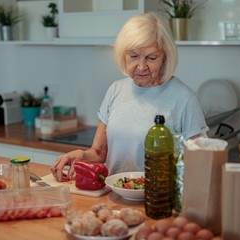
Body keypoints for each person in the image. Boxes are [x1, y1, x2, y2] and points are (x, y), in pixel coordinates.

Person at [51, 12, 208, 181]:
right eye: (133, 56)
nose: (141, 66)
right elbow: (99, 153)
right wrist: (81, 155)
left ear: (165, 56)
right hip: (113, 198)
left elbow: (201, 164)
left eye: (152, 57)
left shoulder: (184, 99)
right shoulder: (116, 90)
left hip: (158, 200)